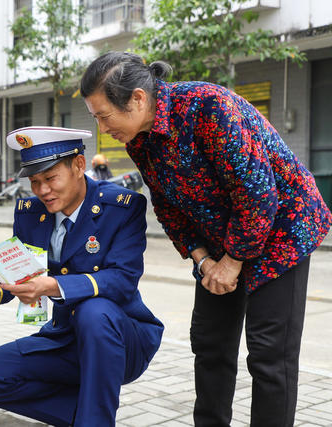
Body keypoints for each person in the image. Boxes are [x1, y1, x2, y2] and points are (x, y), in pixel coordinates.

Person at [80, 51, 332, 427]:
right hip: (219, 241)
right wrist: (204, 261)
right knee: (210, 344)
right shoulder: (140, 139)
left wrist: (232, 262)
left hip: (282, 228)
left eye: (103, 115)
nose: (102, 128)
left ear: (136, 98)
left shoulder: (209, 108)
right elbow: (167, 205)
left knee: (268, 354)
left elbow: (258, 194)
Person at [0, 126, 163, 426]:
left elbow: (122, 281)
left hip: (122, 339)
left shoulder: (120, 207)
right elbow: (16, 272)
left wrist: (55, 285)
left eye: (50, 178)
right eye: (34, 181)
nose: (42, 190)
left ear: (79, 166)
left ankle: (94, 419)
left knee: (93, 310)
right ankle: (86, 413)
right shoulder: (32, 212)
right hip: (63, 338)